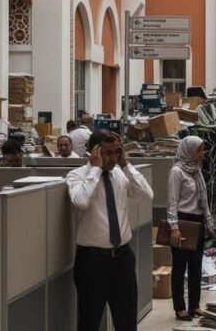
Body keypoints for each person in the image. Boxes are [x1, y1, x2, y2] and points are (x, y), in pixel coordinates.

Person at [66, 129, 153, 331]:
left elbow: (146, 195)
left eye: (116, 152)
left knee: (127, 322)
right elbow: (81, 201)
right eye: (108, 152)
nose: (113, 157)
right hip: (92, 262)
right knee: (90, 322)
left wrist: (126, 164)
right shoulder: (77, 176)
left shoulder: (119, 175)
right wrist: (96, 170)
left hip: (122, 258)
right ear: (93, 152)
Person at [167, 136, 216, 321]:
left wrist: (209, 223)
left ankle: (194, 305)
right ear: (188, 150)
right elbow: (172, 202)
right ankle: (180, 308)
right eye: (199, 150)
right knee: (180, 267)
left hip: (197, 221)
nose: (202, 154)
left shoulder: (196, 170)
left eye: (203, 150)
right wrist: (174, 227)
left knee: (196, 267)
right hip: (182, 222)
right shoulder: (177, 172)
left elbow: (204, 201)